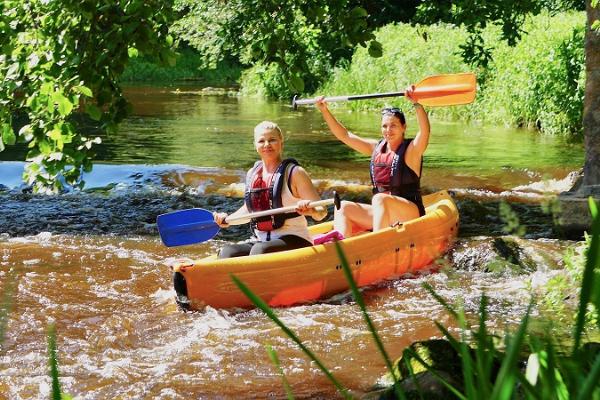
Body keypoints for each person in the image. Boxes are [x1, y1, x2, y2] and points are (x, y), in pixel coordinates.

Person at [314, 85, 430, 238]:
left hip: (410, 213)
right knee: (342, 207)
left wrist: (416, 104)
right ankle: (340, 245)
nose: (388, 130)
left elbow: (425, 131)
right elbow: (345, 136)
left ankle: (376, 242)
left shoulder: (411, 150)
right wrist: (324, 110)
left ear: (404, 128)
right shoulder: (376, 148)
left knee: (380, 198)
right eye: (384, 126)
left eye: (393, 125)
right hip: (384, 212)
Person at [213, 121, 327, 258]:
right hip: (261, 241)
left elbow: (322, 212)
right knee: (227, 252)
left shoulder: (295, 173)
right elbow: (249, 210)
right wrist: (227, 220)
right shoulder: (252, 174)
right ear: (255, 146)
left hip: (296, 240)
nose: (267, 145)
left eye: (272, 140)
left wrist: (312, 210)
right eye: (261, 141)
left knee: (260, 251)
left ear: (281, 143)